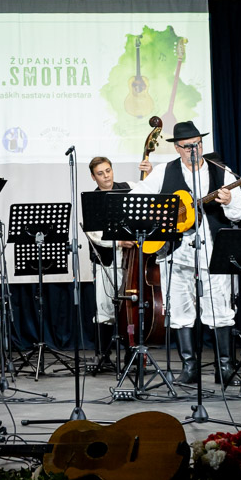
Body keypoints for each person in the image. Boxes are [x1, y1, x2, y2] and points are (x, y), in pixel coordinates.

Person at [133, 121, 241, 386]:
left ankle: (224, 367)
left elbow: (239, 213)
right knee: (180, 308)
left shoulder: (222, 172)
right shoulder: (164, 171)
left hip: (214, 250)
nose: (193, 150)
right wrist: (158, 217)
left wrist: (229, 201)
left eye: (197, 145)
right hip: (176, 252)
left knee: (219, 308)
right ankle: (189, 368)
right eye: (187, 147)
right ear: (177, 148)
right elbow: (138, 197)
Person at [84, 156, 133, 370]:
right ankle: (102, 355)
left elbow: (149, 196)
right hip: (106, 261)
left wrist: (148, 171)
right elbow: (94, 234)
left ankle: (132, 353)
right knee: (105, 309)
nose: (106, 176)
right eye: (100, 173)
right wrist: (119, 242)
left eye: (108, 171)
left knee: (130, 309)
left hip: (131, 260)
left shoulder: (128, 188)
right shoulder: (93, 200)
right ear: (93, 177)